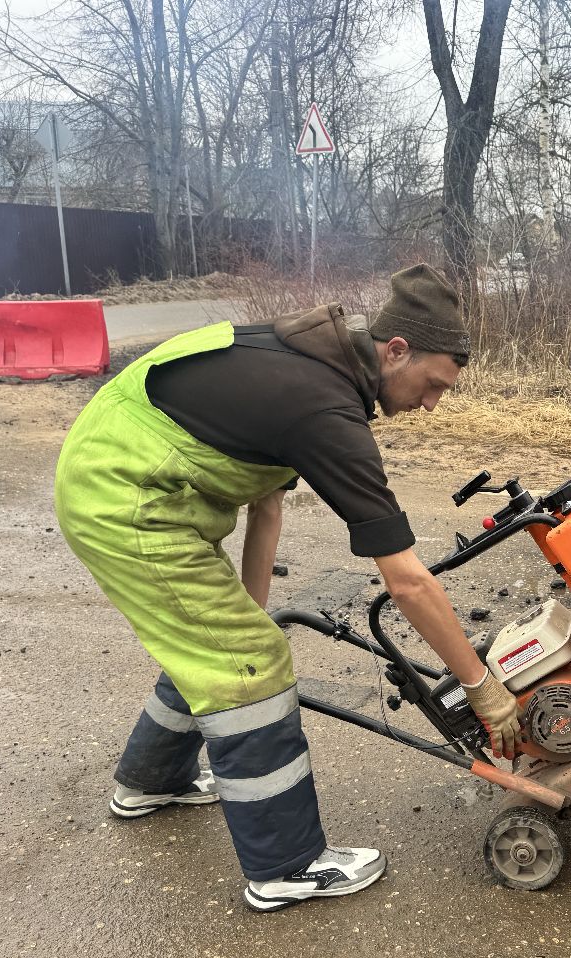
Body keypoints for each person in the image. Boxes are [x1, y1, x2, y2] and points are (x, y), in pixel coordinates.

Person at [53, 264, 521, 912]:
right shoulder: (324, 406)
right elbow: (408, 581)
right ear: (396, 350)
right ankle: (287, 866)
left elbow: (267, 504)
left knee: (224, 636)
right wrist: (482, 688)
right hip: (124, 499)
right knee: (248, 660)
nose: (432, 402)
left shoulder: (312, 363)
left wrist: (247, 612)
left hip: (124, 477)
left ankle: (150, 782)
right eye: (434, 384)